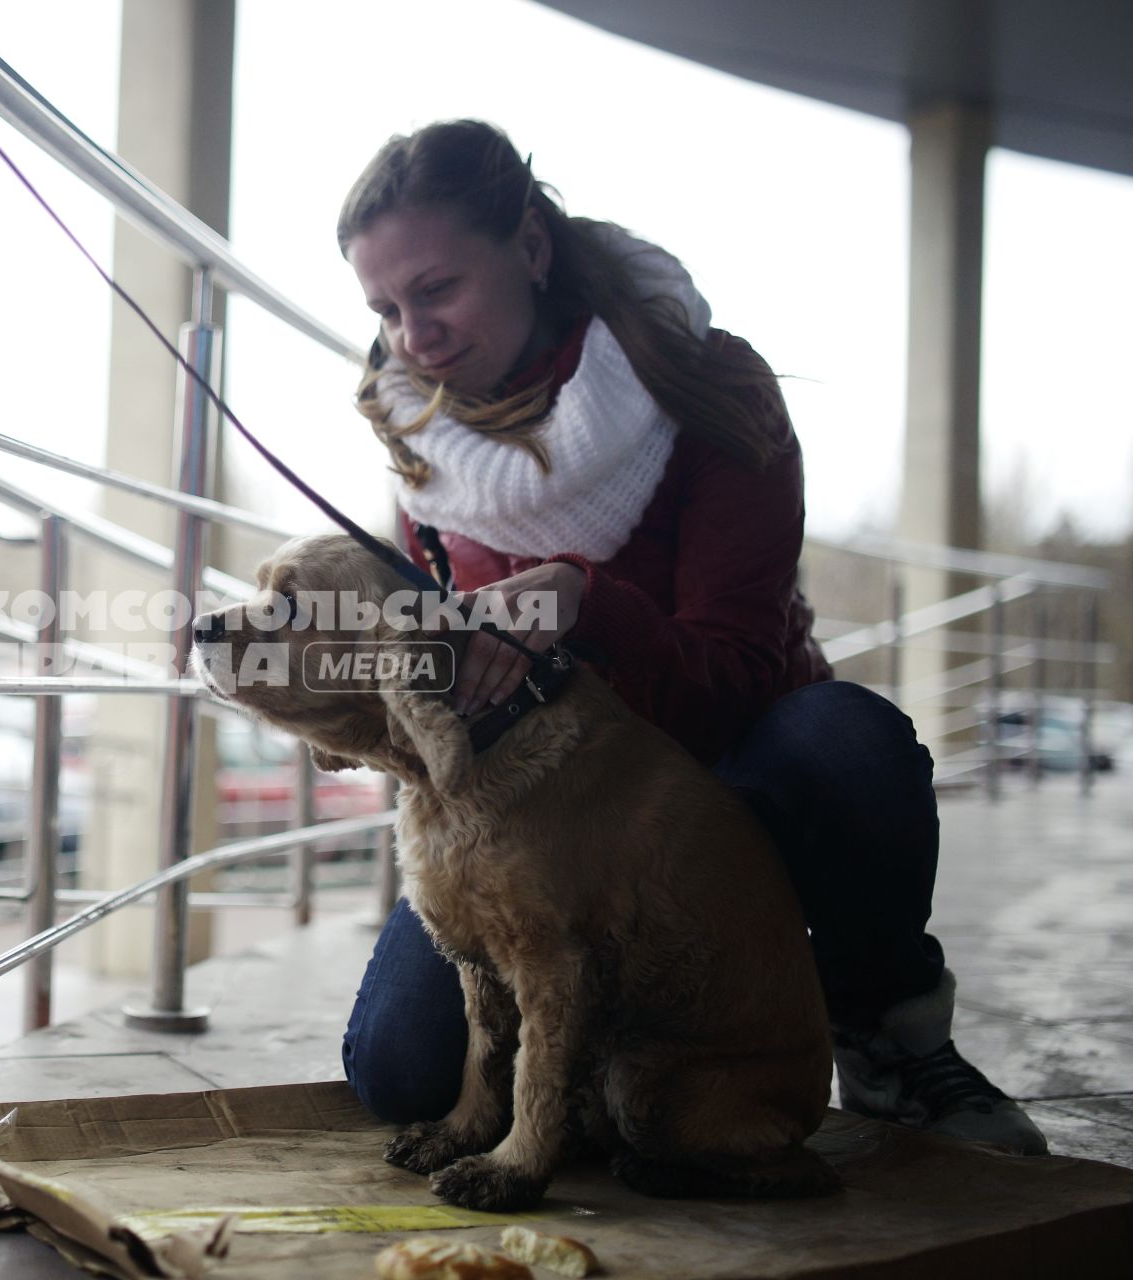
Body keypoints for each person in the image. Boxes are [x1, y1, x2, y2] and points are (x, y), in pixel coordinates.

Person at [334, 119, 1046, 1157]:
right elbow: (441, 695)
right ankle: (605, 1051)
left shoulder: (705, 385)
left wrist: (584, 596)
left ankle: (884, 1028)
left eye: (436, 288)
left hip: (729, 769)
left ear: (531, 247)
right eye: (386, 309)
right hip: (545, 799)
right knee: (396, 1070)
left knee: (848, 741)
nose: (413, 335)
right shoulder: (425, 455)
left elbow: (740, 675)